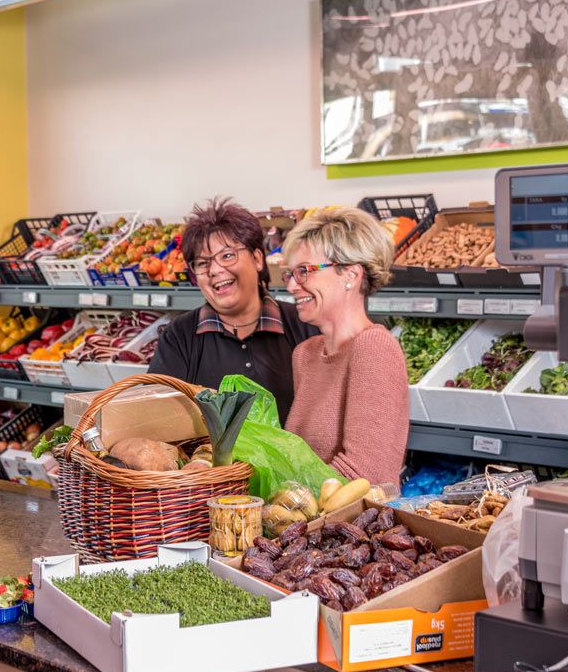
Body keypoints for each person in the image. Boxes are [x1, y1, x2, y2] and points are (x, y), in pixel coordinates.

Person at [148, 198, 316, 423]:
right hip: (207, 459)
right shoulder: (179, 335)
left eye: (227, 255)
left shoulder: (304, 324)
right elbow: (156, 417)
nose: (215, 270)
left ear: (257, 259)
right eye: (202, 263)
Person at [282, 207, 409, 485]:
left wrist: (285, 497)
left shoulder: (373, 347)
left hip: (348, 524)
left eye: (304, 271)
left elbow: (367, 473)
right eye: (289, 274)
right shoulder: (306, 354)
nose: (292, 286)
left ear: (350, 275)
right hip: (305, 523)